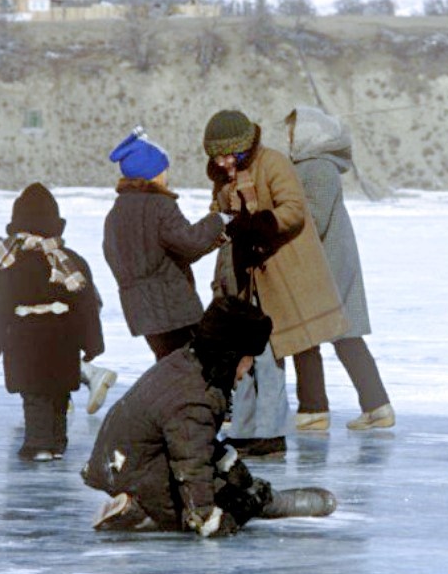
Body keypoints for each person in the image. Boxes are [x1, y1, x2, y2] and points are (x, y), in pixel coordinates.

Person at [82, 296, 337, 535]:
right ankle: (137, 513)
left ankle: (142, 505)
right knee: (229, 503)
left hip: (125, 462)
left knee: (227, 487)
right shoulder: (195, 397)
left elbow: (192, 443)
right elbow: (191, 464)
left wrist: (229, 466)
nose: (250, 368)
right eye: (249, 358)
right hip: (136, 472)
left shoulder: (188, 363)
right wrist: (209, 518)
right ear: (230, 355)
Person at [204, 109, 348, 457]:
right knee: (245, 356)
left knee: (269, 356)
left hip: (280, 275)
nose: (223, 162)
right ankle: (245, 431)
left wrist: (261, 225)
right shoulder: (224, 178)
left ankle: (269, 433)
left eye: (228, 154)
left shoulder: (273, 163)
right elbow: (219, 213)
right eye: (217, 156)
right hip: (245, 279)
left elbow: (294, 209)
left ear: (243, 146)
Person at [0, 183, 105, 461]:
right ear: (56, 224)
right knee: (58, 394)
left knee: (34, 396)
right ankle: (56, 443)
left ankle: (39, 444)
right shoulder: (71, 261)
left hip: (25, 341)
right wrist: (92, 343)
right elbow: (87, 307)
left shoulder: (9, 264)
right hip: (63, 341)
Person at [284, 106, 394, 431]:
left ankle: (314, 409)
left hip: (322, 266)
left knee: (307, 332)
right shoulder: (318, 166)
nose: (289, 138)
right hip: (331, 262)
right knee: (345, 336)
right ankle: (376, 406)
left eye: (293, 132)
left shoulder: (316, 168)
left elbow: (313, 219)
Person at [103, 127, 229, 361]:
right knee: (193, 367)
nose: (167, 175)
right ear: (153, 174)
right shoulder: (160, 205)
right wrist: (218, 220)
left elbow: (172, 251)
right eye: (164, 170)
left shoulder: (115, 213)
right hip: (172, 309)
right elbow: (189, 242)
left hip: (140, 311)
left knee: (168, 366)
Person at [0, 242, 116, 416]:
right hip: (74, 309)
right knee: (48, 350)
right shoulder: (25, 258)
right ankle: (65, 396)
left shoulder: (13, 268)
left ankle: (90, 375)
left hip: (69, 311)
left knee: (39, 351)